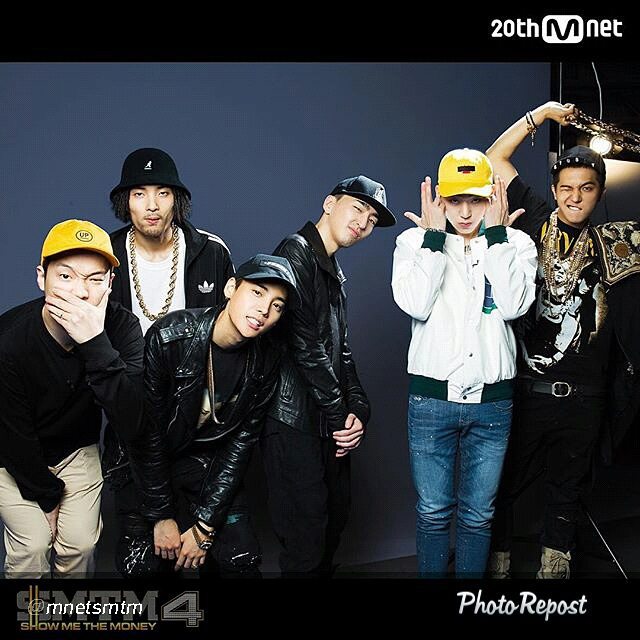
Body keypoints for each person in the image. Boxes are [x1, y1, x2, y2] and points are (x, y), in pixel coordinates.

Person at [486, 102, 640, 578]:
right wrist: (541, 115)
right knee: (504, 483)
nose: (575, 197)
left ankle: (555, 572)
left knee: (567, 491)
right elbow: (493, 159)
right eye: (567, 188)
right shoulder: (534, 218)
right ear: (554, 191)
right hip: (528, 389)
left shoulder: (618, 241)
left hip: (585, 397)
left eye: (586, 188)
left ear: (599, 193)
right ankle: (495, 566)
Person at [392, 149, 537, 577]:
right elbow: (416, 304)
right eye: (456, 200)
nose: (467, 211)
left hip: (492, 405)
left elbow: (514, 306)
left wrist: (498, 239)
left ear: (494, 196)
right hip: (432, 402)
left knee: (478, 516)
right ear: (440, 200)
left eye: (477, 199)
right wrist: (433, 241)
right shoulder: (413, 242)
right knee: (433, 513)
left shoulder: (517, 243)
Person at [117, 254, 298, 576]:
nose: (264, 310)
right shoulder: (170, 336)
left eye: (277, 305)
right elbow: (146, 434)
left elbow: (240, 444)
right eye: (257, 293)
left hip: (206, 462)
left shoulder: (267, 358)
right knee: (143, 567)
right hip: (144, 465)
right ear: (231, 288)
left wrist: (205, 525)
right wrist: (161, 516)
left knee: (241, 561)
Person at [262, 175, 397, 576]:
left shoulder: (335, 275)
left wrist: (359, 410)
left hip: (325, 421)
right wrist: (342, 419)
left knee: (333, 524)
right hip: (292, 422)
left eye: (371, 220)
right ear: (329, 203)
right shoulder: (295, 253)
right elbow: (304, 346)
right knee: (305, 541)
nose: (363, 223)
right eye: (358, 208)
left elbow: (343, 353)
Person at [0, 220, 143, 578]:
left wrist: (95, 343)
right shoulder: (9, 339)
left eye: (95, 279)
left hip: (77, 449)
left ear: (110, 284)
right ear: (41, 278)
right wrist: (47, 498)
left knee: (79, 545)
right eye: (65, 276)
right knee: (32, 545)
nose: (80, 292)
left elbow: (134, 421)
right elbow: (12, 433)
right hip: (11, 455)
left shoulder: (122, 327)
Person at [108, 147, 233, 335]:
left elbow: (231, 322)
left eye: (163, 193)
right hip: (122, 356)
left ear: (176, 199)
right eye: (139, 194)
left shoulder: (211, 251)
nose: (152, 206)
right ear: (126, 202)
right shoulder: (106, 253)